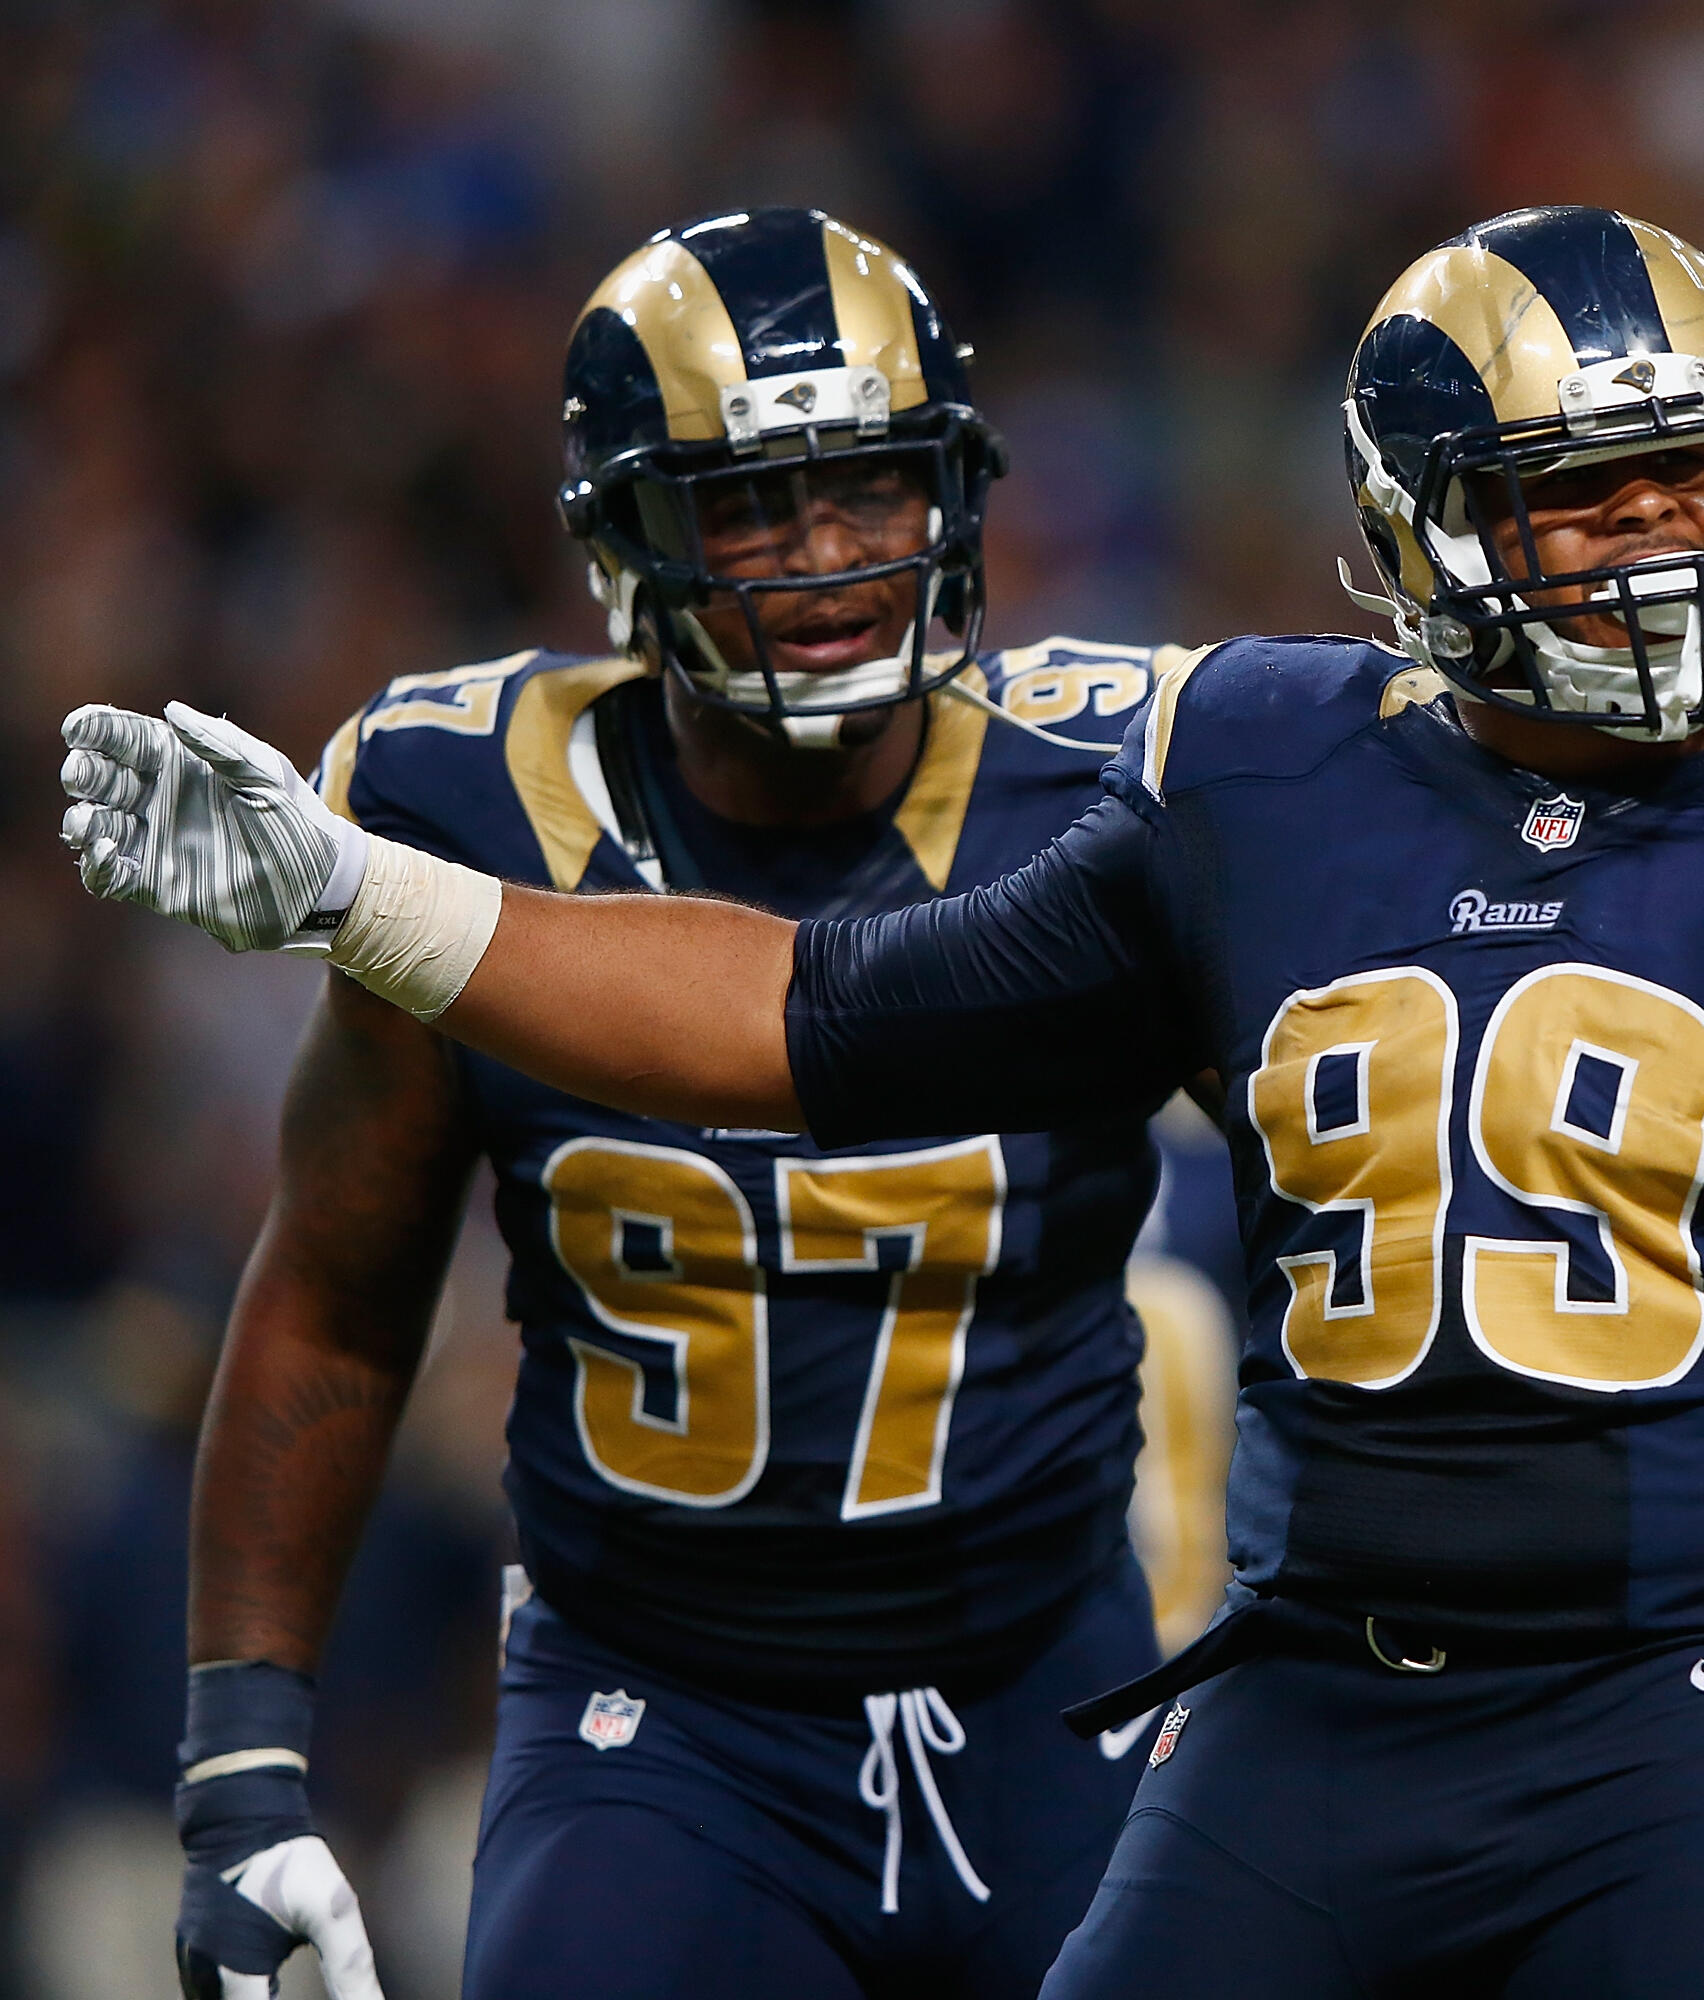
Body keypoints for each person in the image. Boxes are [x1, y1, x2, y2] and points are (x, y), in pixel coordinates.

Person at [63, 202, 1704, 2000]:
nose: (1667, 545)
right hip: (1318, 1714)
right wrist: (360, 899)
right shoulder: (1266, 770)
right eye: (1585, 502)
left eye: (1696, 477)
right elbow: (817, 1024)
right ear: (1430, 535)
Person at [141, 206, 1215, 2000]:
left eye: (869, 489)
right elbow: (338, 1275)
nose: (823, 560)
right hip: (664, 1721)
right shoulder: (464, 801)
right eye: (753, 505)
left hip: (1057, 1678)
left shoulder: (1110, 786)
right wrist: (243, 1767)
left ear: (952, 495)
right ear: (632, 534)